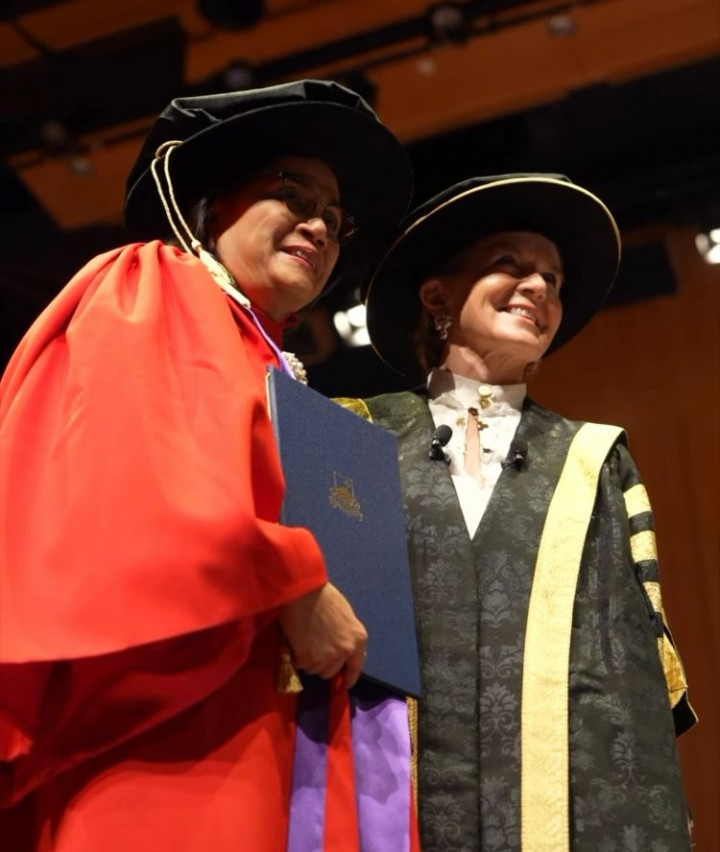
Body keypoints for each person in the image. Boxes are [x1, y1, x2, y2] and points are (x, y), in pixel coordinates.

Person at [0, 80, 416, 851]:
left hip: (267, 717)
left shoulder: (271, 359)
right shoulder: (153, 281)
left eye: (335, 215)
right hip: (168, 726)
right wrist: (297, 581)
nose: (319, 224)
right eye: (290, 193)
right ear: (211, 208)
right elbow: (135, 482)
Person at [353, 174, 697, 851]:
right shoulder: (354, 438)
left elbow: (627, 663)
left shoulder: (592, 460)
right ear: (437, 297)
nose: (539, 287)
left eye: (553, 279)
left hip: (563, 811)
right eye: (510, 263)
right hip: (392, 800)